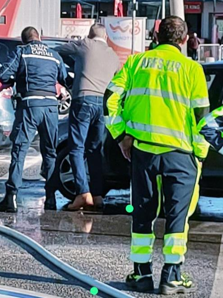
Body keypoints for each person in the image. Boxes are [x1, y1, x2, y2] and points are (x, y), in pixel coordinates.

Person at [105, 16, 210, 294]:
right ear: (185, 39)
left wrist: (122, 135)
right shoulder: (192, 69)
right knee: (177, 219)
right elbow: (201, 118)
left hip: (143, 151)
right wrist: (199, 154)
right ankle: (171, 277)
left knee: (142, 214)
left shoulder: (136, 63)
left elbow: (110, 99)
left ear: (156, 36)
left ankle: (141, 275)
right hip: (180, 154)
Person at [0, 26, 67, 213]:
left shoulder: (22, 52)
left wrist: (15, 78)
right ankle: (50, 198)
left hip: (30, 107)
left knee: (20, 152)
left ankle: (11, 198)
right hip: (50, 108)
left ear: (24, 40)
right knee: (50, 153)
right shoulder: (53, 55)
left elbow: (3, 74)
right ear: (39, 38)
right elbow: (64, 77)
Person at [55, 23, 120, 211]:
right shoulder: (113, 56)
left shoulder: (85, 45)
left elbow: (58, 50)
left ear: (90, 36)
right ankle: (97, 195)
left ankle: (83, 193)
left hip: (83, 99)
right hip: (103, 104)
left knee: (76, 148)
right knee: (95, 149)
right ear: (106, 38)